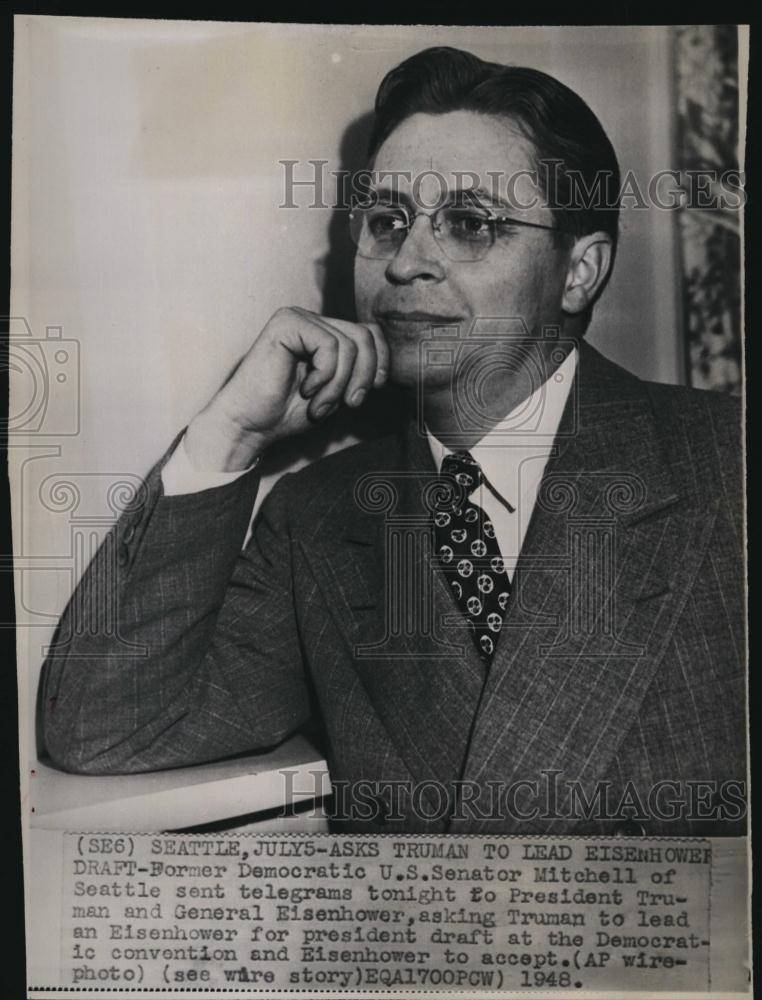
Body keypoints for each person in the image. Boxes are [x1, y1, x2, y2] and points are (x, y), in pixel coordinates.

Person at [39, 46, 745, 836]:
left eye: (470, 224)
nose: (407, 263)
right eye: (387, 221)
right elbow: (106, 727)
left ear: (579, 271)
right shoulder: (317, 520)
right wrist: (228, 436)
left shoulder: (728, 466)